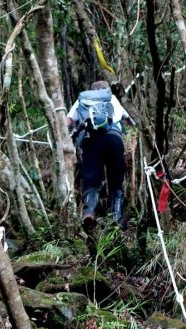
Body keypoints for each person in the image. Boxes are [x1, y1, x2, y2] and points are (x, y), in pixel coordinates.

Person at [67, 80, 129, 254]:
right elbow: (127, 118)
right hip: (114, 139)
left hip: (91, 139)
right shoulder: (112, 98)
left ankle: (89, 212)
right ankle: (116, 217)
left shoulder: (83, 100)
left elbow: (68, 121)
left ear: (91, 90)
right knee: (116, 179)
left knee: (91, 178)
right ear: (107, 89)